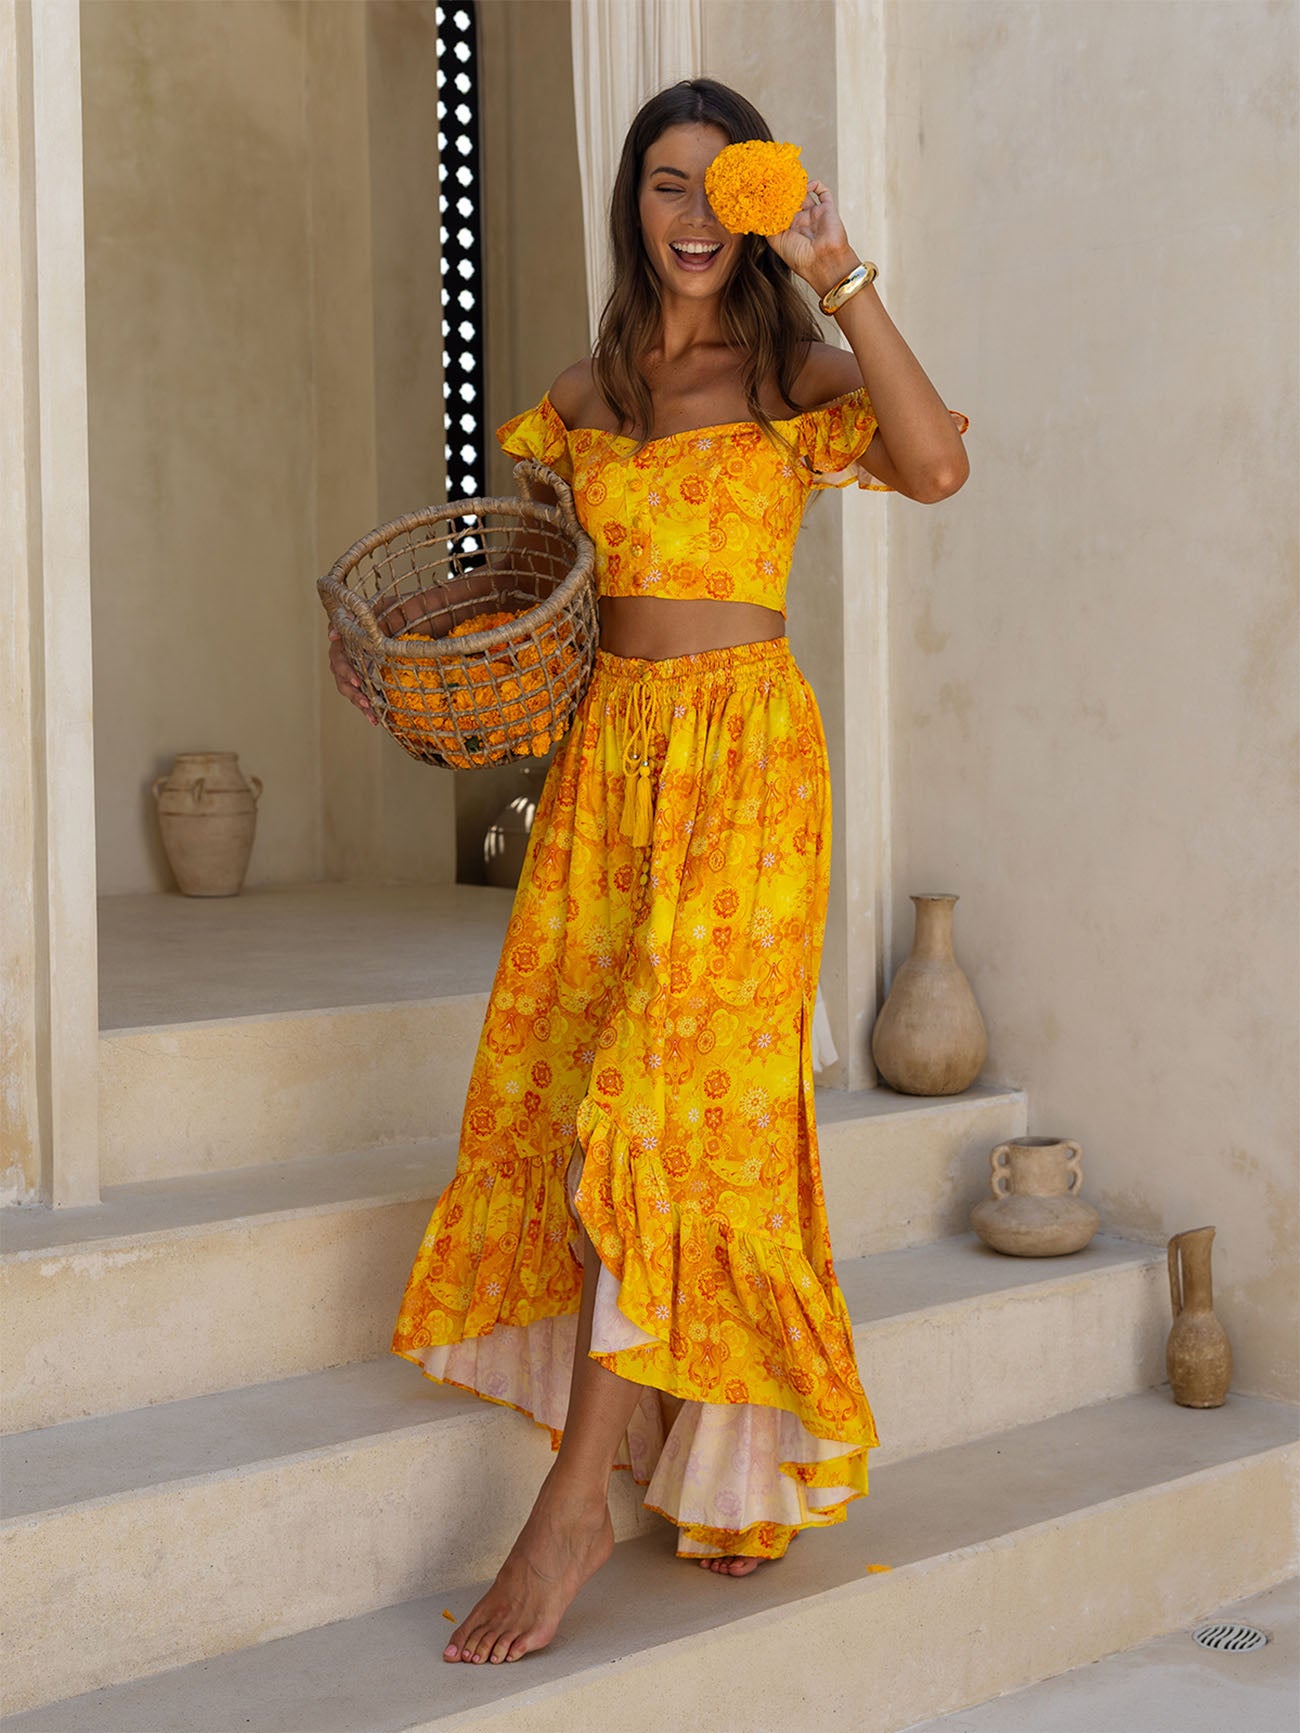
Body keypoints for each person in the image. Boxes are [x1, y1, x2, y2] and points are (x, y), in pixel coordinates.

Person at [328, 76, 968, 1667]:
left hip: (747, 770)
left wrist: (841, 270)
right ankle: (691, 1446)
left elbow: (937, 463)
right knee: (583, 1098)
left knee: (655, 1110)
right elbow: (520, 596)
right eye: (664, 184)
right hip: (608, 772)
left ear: (751, 206)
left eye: (715, 186)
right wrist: (410, 666)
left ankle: (569, 1509)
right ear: (634, 205)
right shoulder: (581, 397)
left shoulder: (794, 371)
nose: (690, 215)